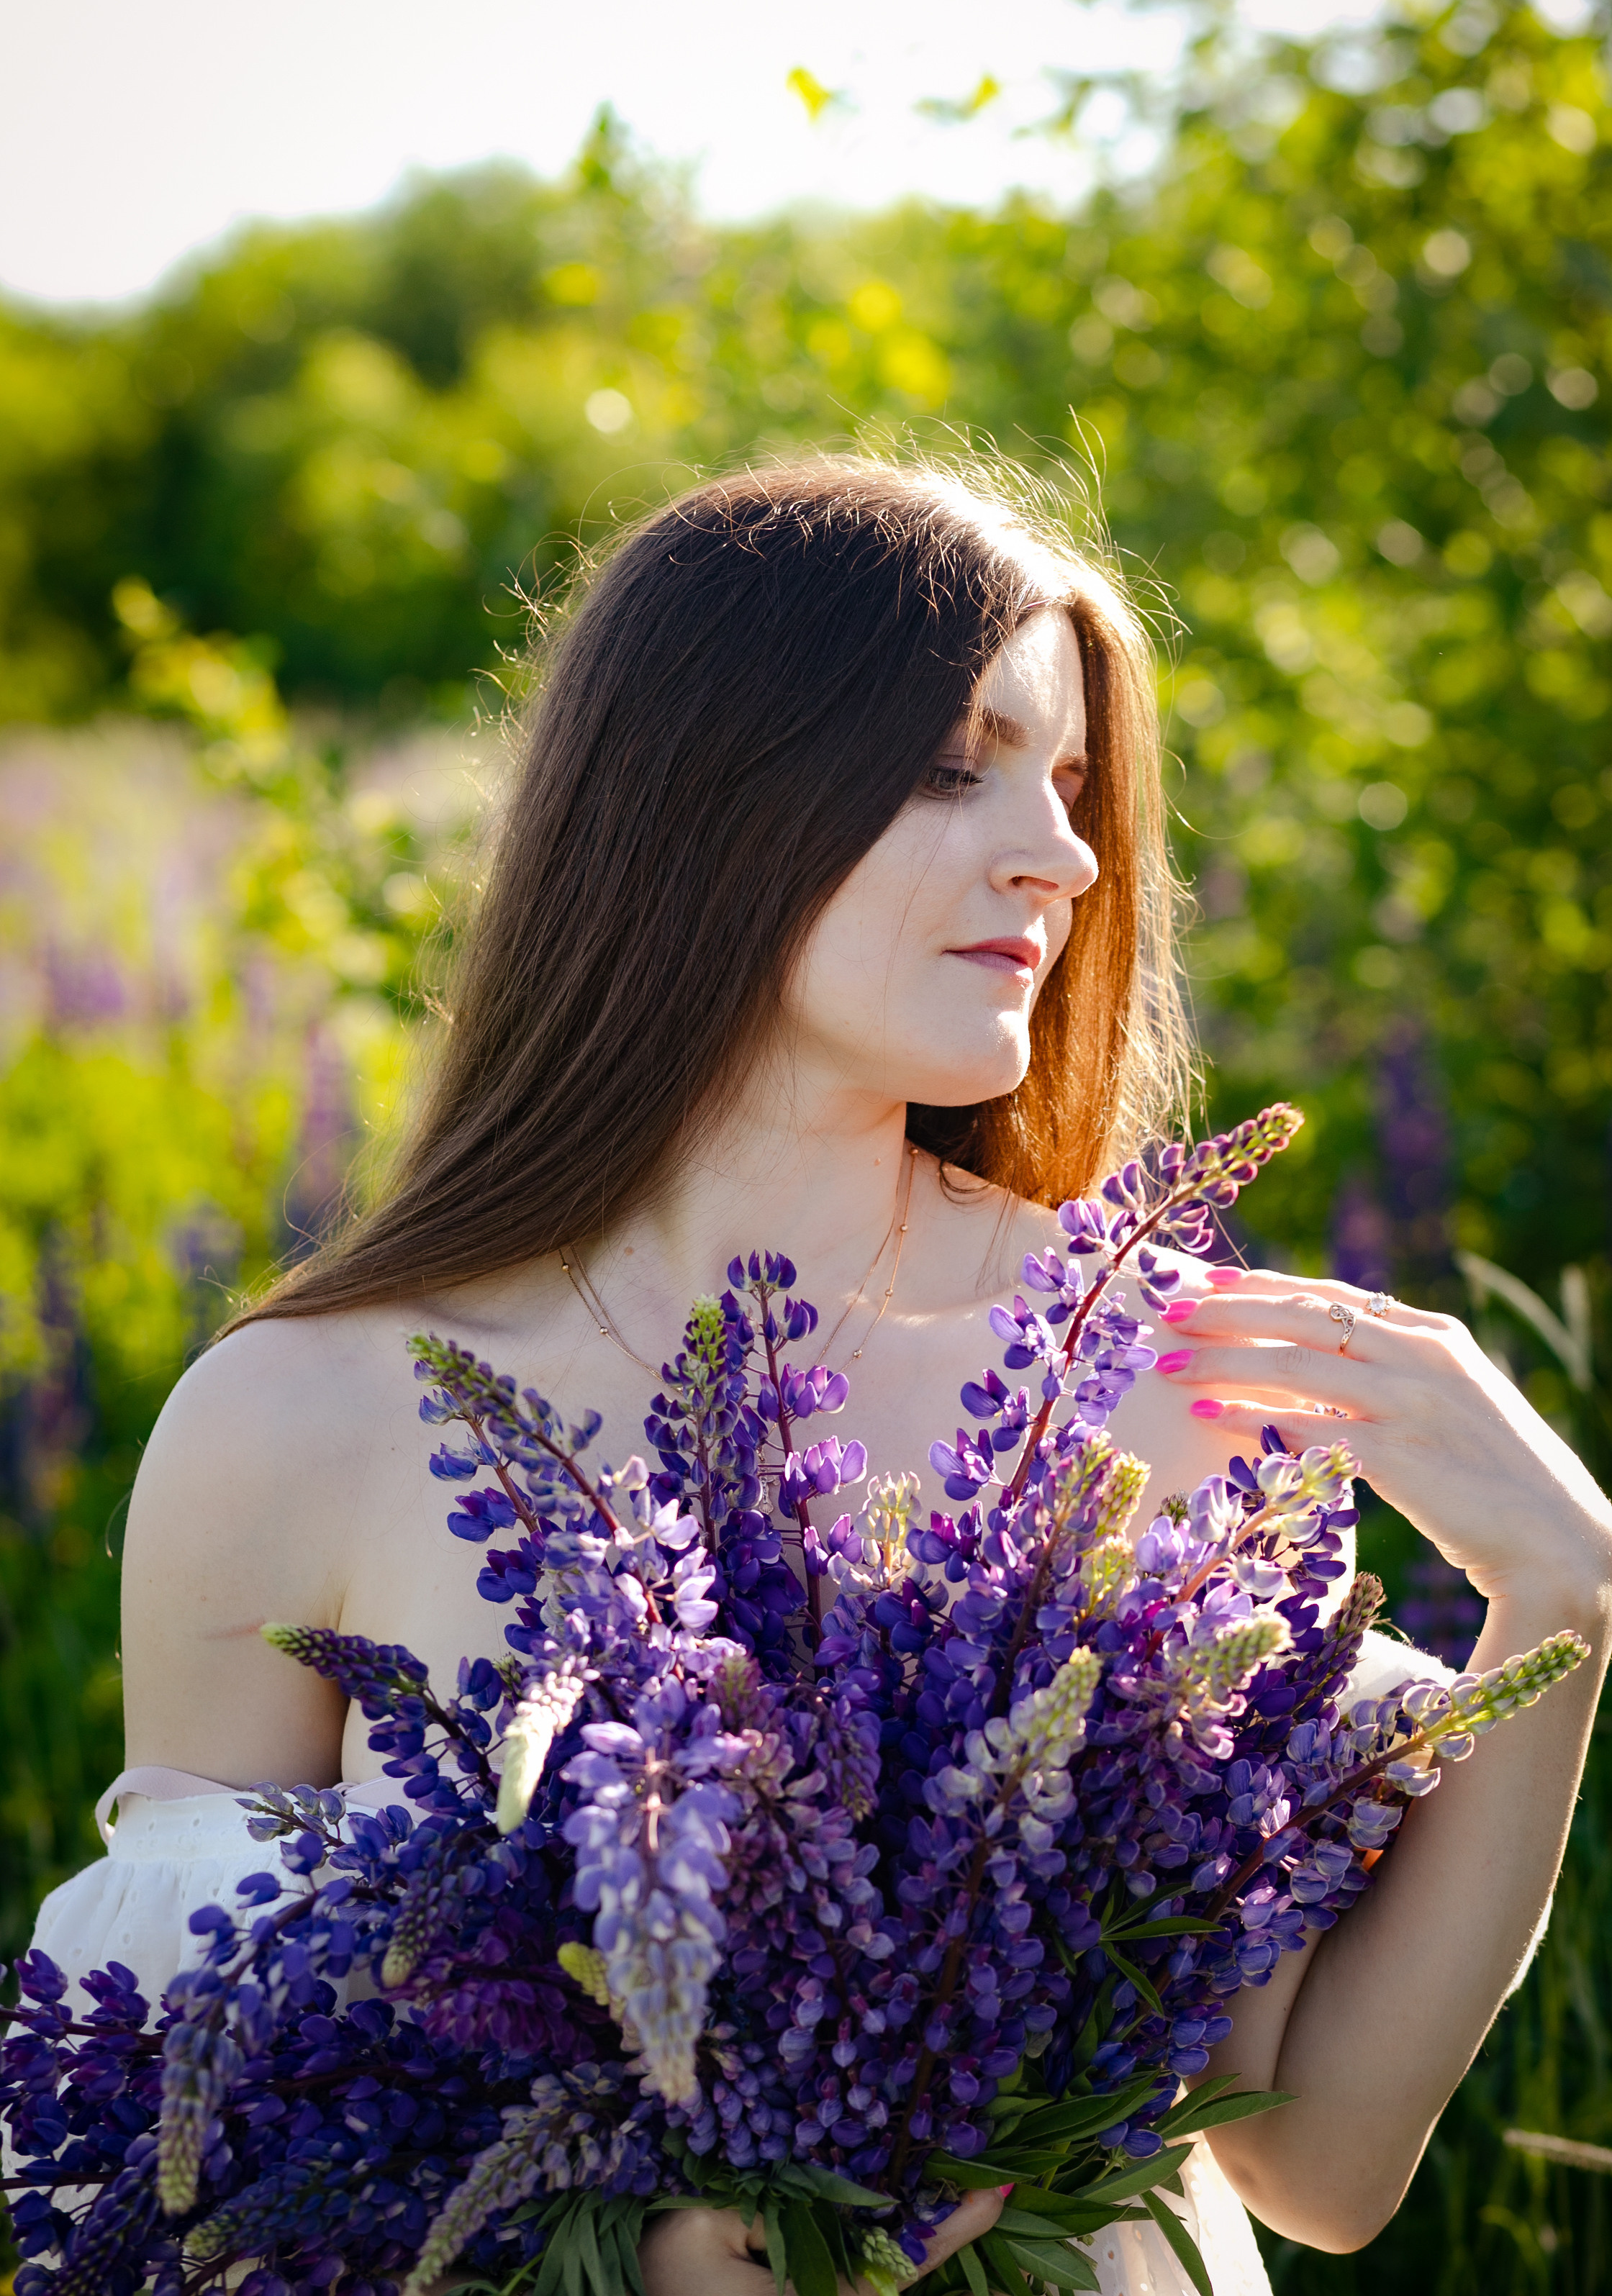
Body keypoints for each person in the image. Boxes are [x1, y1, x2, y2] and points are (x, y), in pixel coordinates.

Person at [32, 458, 1611, 2296]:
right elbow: (186, 2181)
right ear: (703, 791)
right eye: (957, 765)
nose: (1066, 854)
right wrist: (624, 2251)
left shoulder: (1150, 1367)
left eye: (1073, 785)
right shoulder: (302, 1414)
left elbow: (1312, 2160)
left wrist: (1562, 1596)